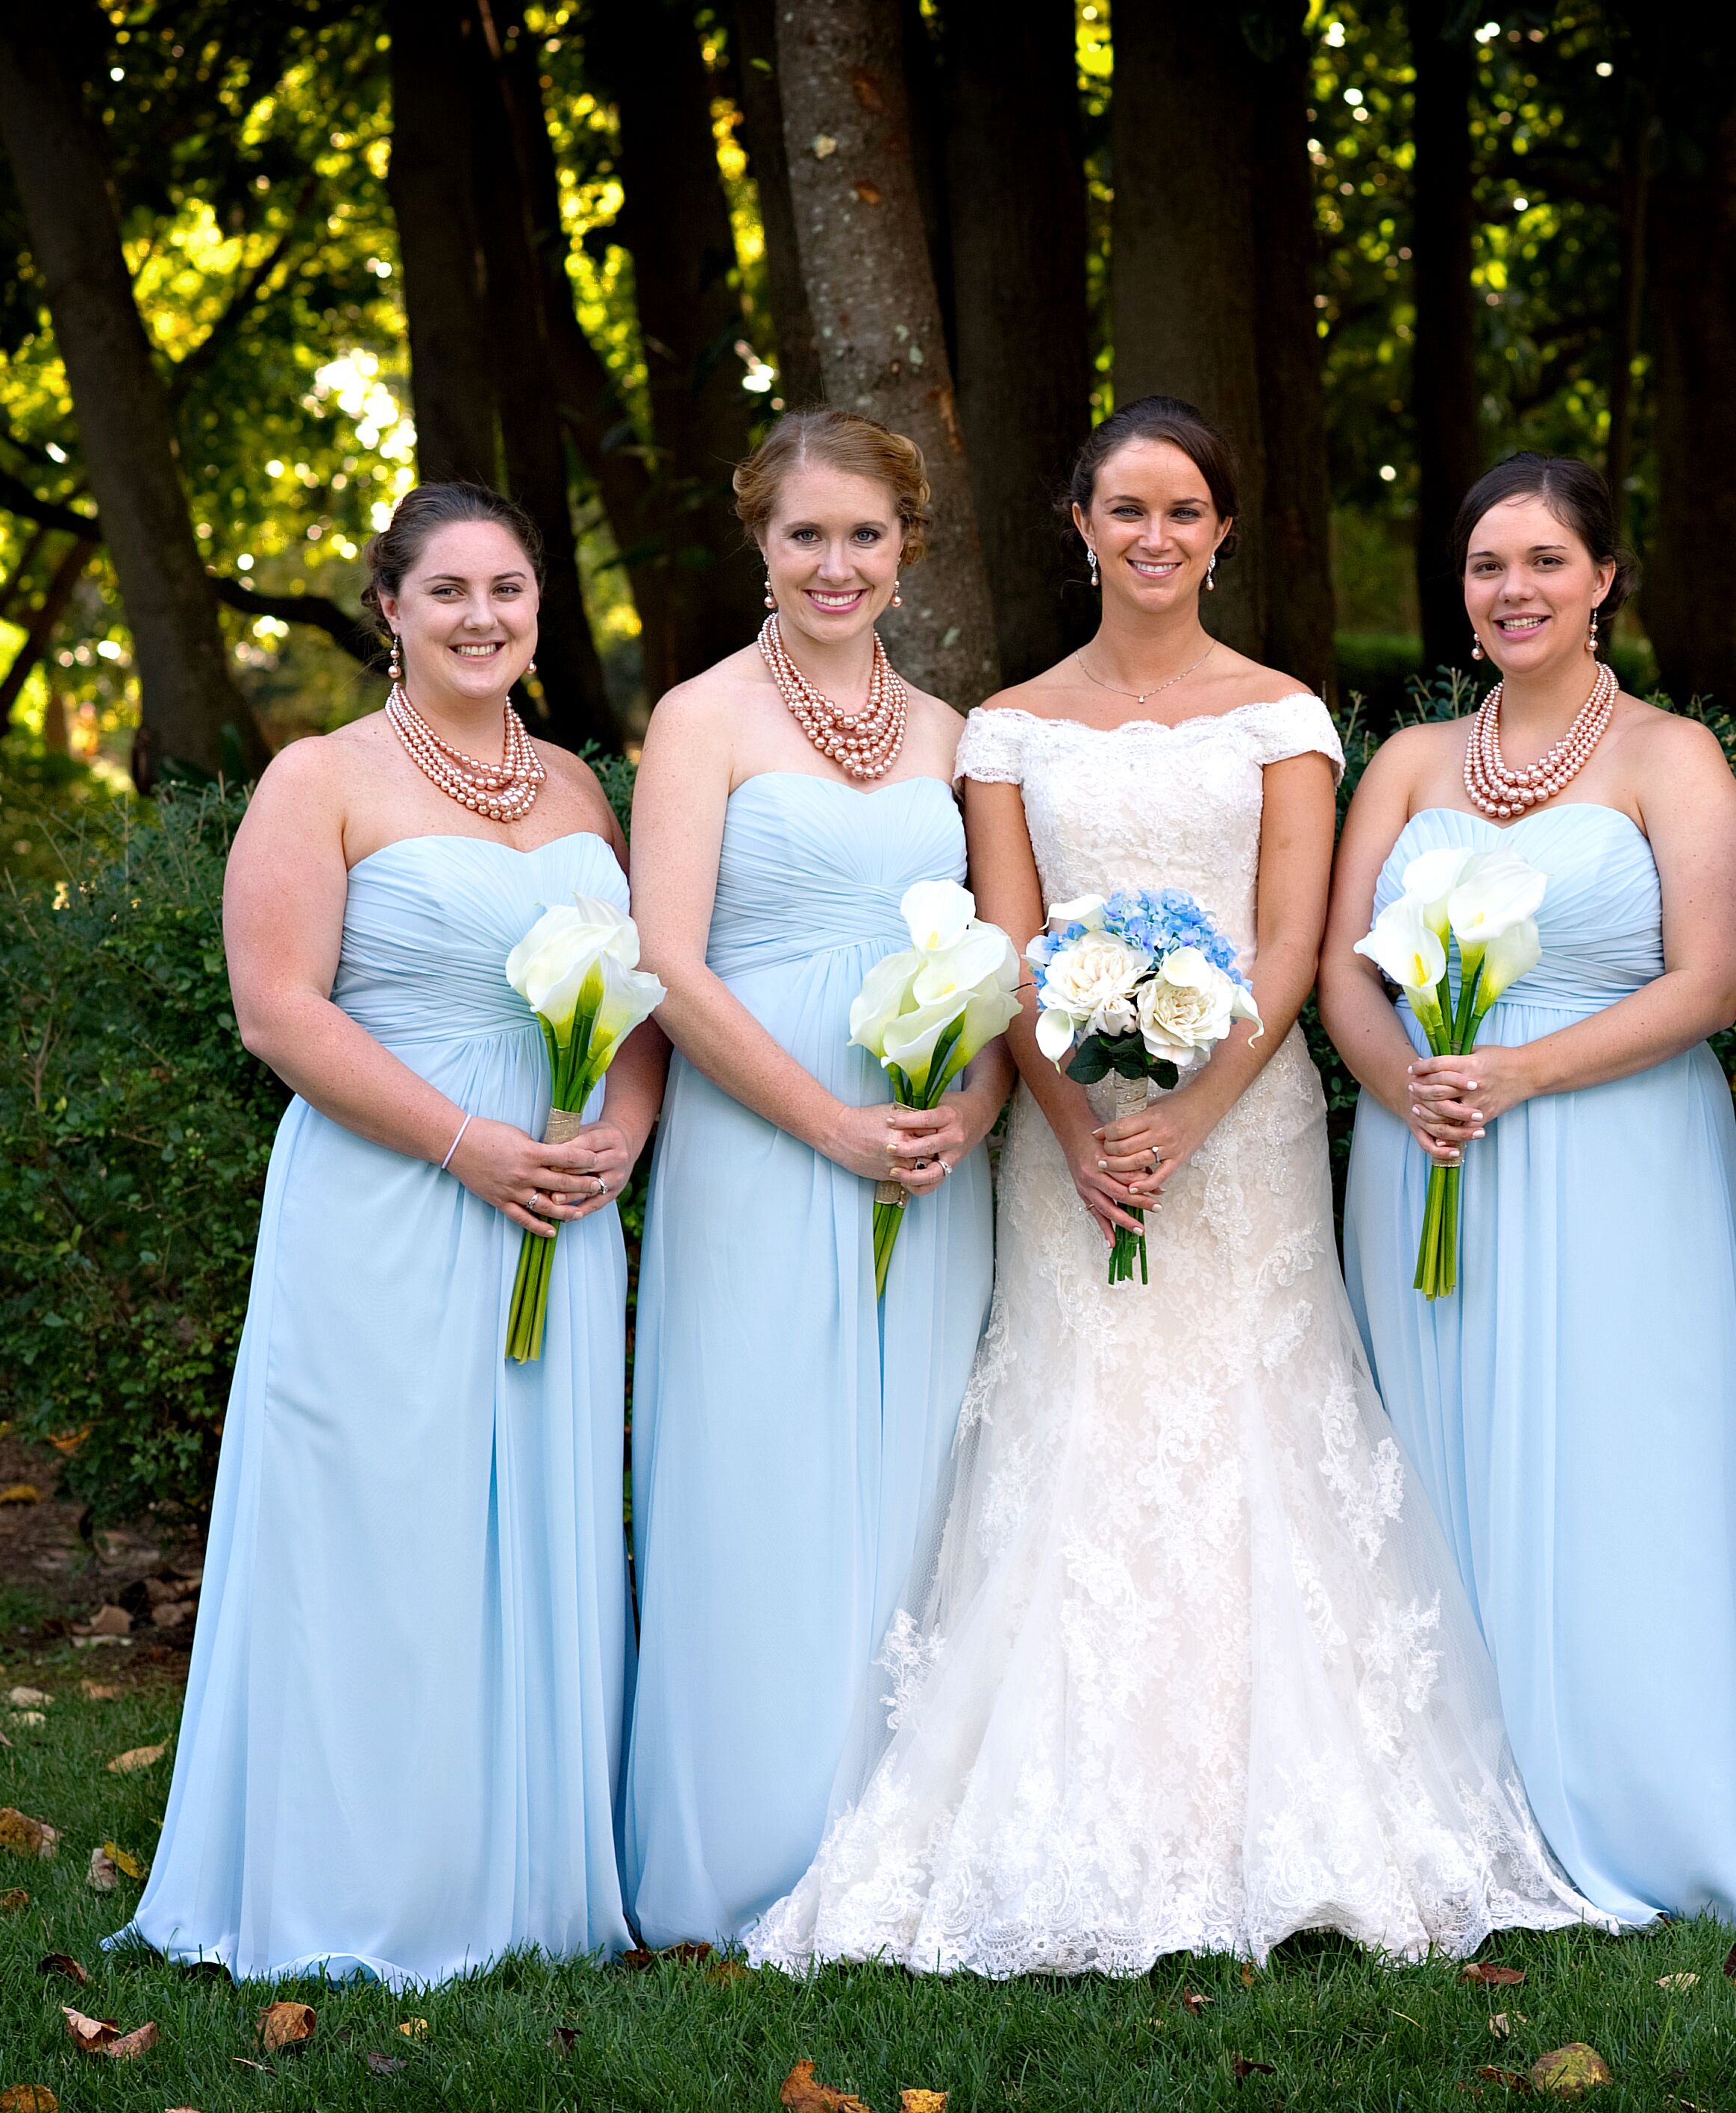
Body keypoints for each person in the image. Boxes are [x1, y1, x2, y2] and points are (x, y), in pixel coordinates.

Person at [744, 397, 1599, 1979]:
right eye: (1123, 510)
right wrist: (1076, 1126)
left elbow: (1287, 948)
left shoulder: (1282, 716)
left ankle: (1298, 1818)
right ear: (1078, 526)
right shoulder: (1004, 730)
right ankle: (1057, 1814)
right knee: (1080, 1427)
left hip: (1245, 1129)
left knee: (1256, 1424)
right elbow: (1007, 947)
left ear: (1219, 532)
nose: (1153, 538)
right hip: (1065, 1136)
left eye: (1182, 512)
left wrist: (1193, 1114)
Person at [125, 483, 656, 1985]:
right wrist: (466, 1144)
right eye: (448, 594)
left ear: (540, 607)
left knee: (536, 1528)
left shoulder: (577, 790)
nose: (482, 618)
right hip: (386, 1192)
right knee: (382, 1532)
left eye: (509, 589)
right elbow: (276, 1009)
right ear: (390, 611)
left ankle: (530, 1885)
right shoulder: (321, 778)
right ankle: (364, 1885)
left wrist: (619, 1134)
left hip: (560, 1200)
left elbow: (635, 993)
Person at [1325, 453, 1736, 1925]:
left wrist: (1520, 1073)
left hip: (1617, 1150)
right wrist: (1406, 1084)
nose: (1512, 590)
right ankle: (1447, 1816)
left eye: (1543, 564)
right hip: (1426, 1148)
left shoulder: (1670, 759)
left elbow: (1709, 984)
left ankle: (1636, 1810)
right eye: (1485, 566)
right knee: (1437, 1464)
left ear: (1602, 580)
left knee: (1616, 1461)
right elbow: (1341, 970)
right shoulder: (1403, 765)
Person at [618, 410, 1003, 1946]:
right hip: (760, 1140)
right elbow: (666, 960)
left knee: (915, 1470)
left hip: (926, 1153)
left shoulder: (950, 735)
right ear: (758, 544)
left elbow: (989, 943)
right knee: (756, 1465)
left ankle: (891, 1843)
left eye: (864, 536)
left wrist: (969, 1102)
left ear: (906, 550)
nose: (835, 564)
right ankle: (743, 1851)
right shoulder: (699, 721)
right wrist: (825, 1126)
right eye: (805, 536)